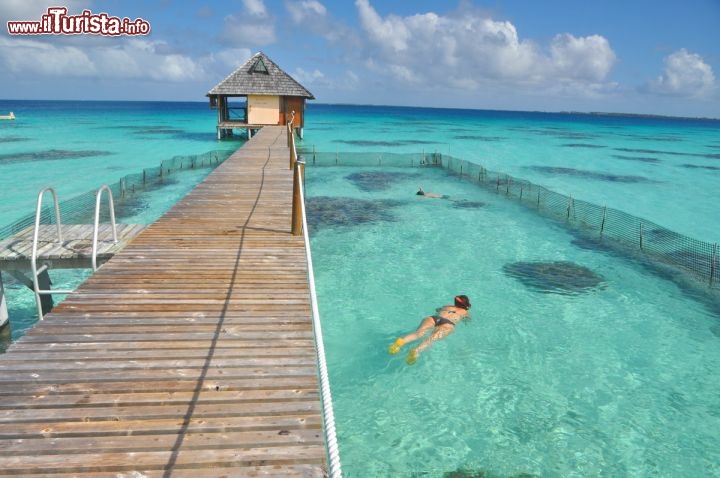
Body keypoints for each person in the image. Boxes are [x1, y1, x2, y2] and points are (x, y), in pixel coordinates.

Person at [388, 295, 471, 364]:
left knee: (418, 333)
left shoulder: (447, 306)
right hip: (448, 324)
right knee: (431, 339)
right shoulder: (465, 312)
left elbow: (437, 310)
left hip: (434, 318)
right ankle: (416, 351)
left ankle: (400, 342)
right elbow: (467, 321)